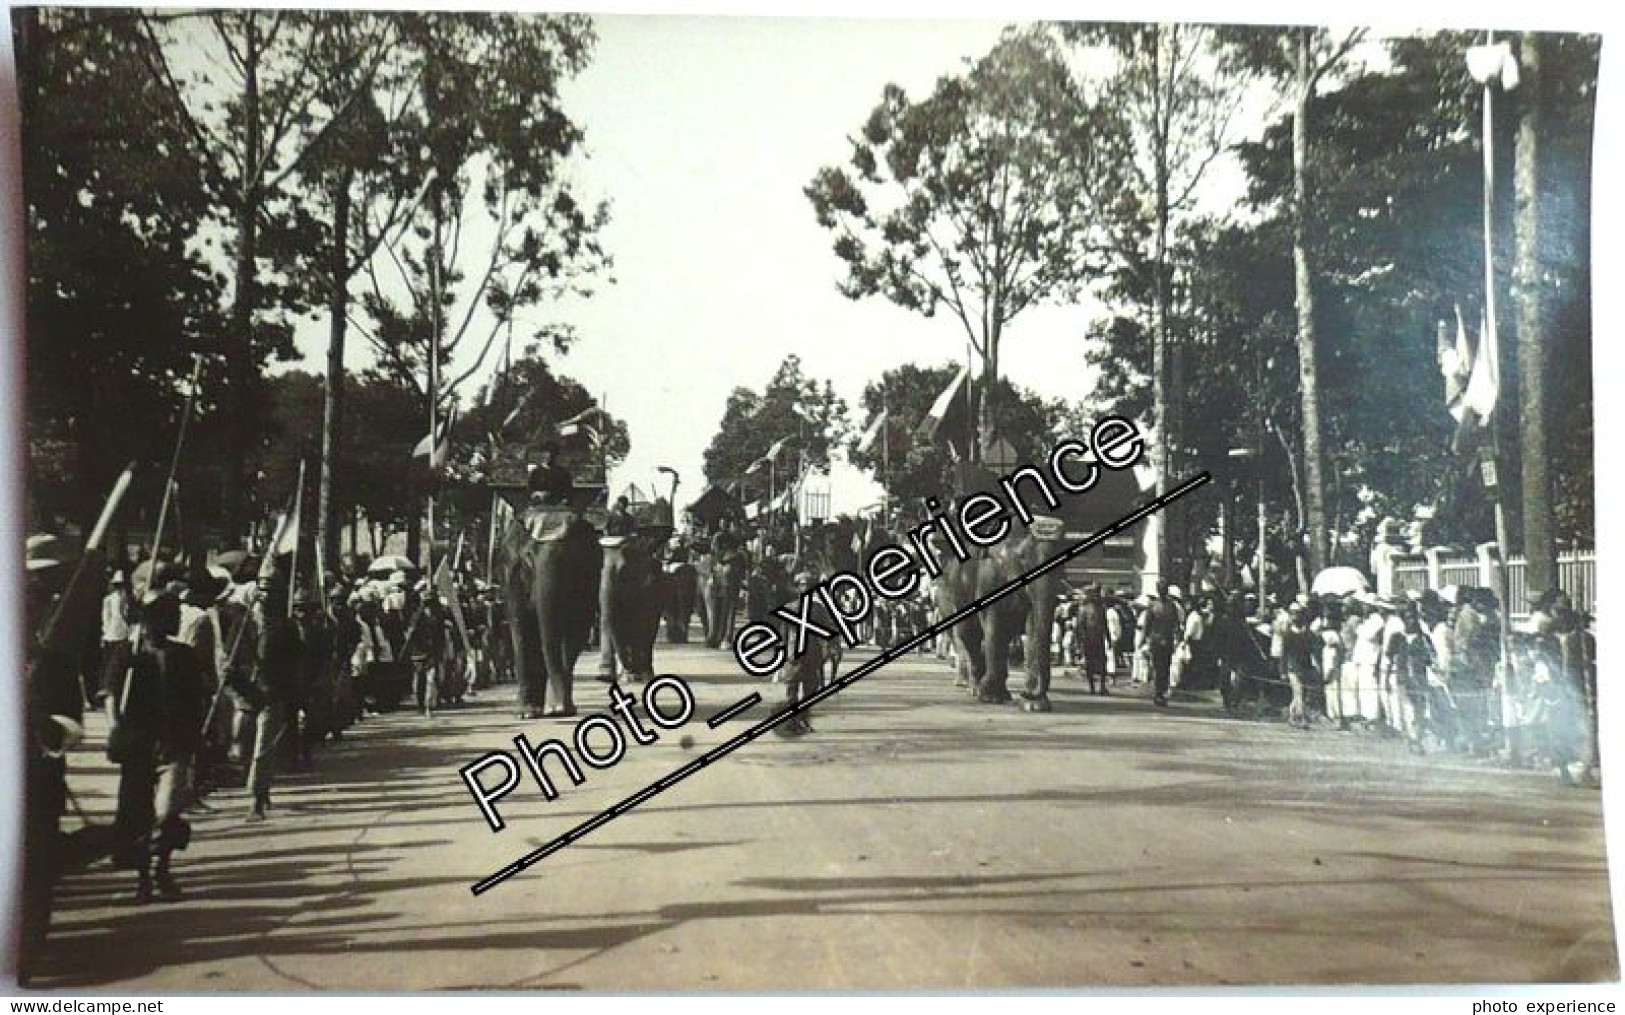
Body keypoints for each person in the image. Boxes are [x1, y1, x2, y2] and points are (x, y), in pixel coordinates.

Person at [96, 571, 134, 709]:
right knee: (108, 665)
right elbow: (105, 618)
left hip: (124, 635)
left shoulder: (129, 599)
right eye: (117, 585)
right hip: (111, 635)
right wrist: (105, 633)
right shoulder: (108, 599)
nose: (120, 588)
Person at [1142, 583, 1178, 708]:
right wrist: (1144, 639)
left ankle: (1162, 692)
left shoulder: (1171, 606)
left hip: (1167, 640)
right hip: (1156, 640)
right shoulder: (1153, 605)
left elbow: (1176, 624)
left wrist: (1177, 638)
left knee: (1165, 668)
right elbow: (1147, 624)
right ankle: (1158, 693)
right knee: (1158, 667)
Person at [1076, 586, 1110, 696]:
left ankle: (1101, 686)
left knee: (1101, 663)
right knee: (1090, 663)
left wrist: (1108, 638)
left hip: (1098, 638)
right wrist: (1080, 641)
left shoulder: (1101, 608)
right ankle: (1092, 686)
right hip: (1089, 639)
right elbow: (1080, 626)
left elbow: (1105, 625)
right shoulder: (1083, 609)